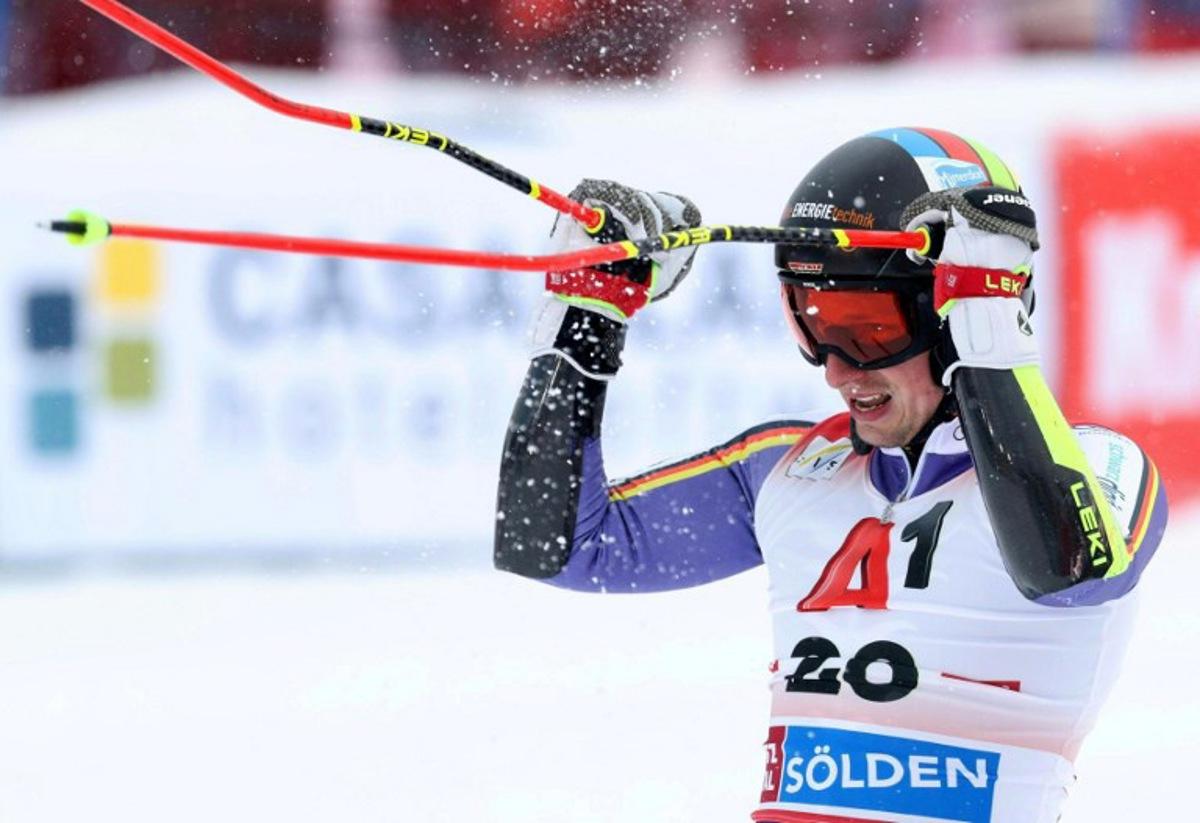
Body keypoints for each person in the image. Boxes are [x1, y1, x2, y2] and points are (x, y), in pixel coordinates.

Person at [493, 128, 1169, 823]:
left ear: (956, 315)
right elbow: (557, 547)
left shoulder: (1099, 466)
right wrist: (587, 317)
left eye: (866, 327)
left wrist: (989, 323)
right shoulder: (787, 467)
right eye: (811, 321)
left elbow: (1073, 566)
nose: (837, 369)